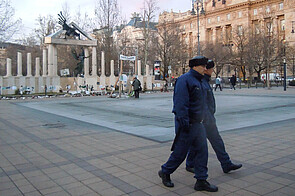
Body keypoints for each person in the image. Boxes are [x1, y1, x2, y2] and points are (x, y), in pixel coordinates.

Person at [158, 56, 218, 192]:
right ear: (195, 66)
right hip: (187, 123)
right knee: (180, 152)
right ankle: (165, 171)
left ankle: (201, 180)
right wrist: (184, 122)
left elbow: (204, 102)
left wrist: (207, 118)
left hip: (199, 123)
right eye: (203, 66)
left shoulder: (202, 80)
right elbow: (180, 104)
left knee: (202, 151)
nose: (205, 68)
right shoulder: (184, 80)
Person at [186, 60, 242, 175]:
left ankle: (226, 163)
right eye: (211, 69)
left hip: (207, 118)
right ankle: (190, 164)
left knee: (215, 141)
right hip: (203, 119)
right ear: (206, 69)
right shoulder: (200, 80)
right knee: (200, 142)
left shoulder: (204, 80)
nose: (212, 71)